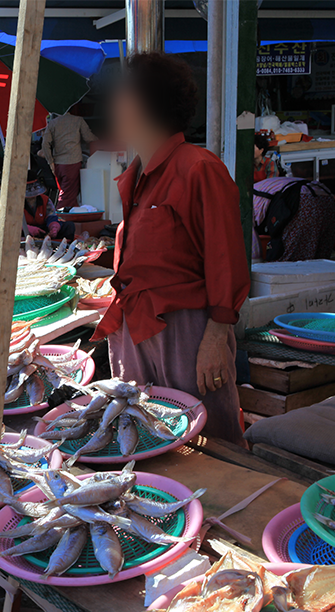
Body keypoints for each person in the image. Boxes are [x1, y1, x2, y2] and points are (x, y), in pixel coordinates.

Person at [92, 53, 250, 446]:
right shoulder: (138, 174)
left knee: (206, 442)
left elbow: (226, 260)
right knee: (148, 439)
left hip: (186, 334)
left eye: (123, 95)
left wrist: (216, 338)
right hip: (137, 327)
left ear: (147, 105)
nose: (113, 105)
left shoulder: (198, 168)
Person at [253, 176, 335, 262]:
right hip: (327, 197)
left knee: (287, 266)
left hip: (301, 200)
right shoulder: (255, 189)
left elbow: (254, 255)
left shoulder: (243, 204)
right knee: (321, 263)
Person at [41, 112, 97, 210]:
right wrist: (100, 139)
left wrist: (51, 162)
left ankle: (71, 217)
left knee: (66, 192)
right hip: (72, 162)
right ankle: (60, 218)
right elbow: (89, 138)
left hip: (58, 164)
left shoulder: (53, 123)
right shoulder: (78, 120)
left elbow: (45, 144)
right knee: (67, 196)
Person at [23, 171, 75, 239]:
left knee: (69, 226)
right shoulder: (15, 202)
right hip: (24, 231)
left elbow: (51, 216)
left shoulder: (45, 200)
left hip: (42, 230)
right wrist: (27, 228)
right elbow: (12, 223)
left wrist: (54, 227)